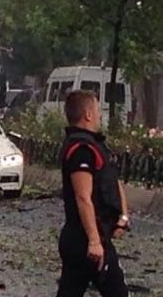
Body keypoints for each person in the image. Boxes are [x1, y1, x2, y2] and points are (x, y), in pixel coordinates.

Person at [57, 90, 130, 297]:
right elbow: (83, 197)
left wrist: (122, 217)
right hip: (85, 240)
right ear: (88, 114)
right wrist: (94, 241)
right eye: (98, 110)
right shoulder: (81, 149)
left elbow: (112, 182)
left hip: (91, 237)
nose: (100, 115)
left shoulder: (96, 146)